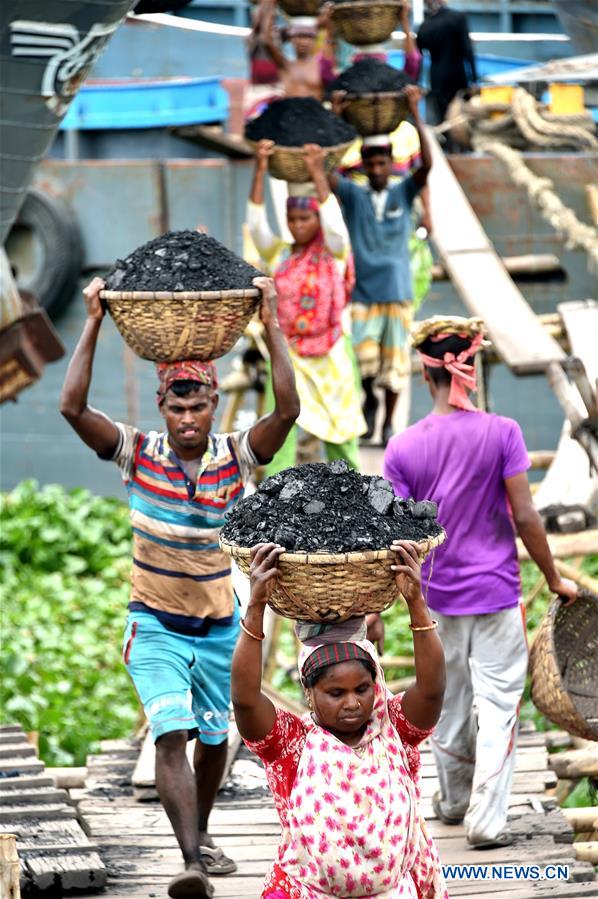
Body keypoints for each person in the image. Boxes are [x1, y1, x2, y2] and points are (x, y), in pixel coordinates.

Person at [59, 276, 299, 899]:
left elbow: (287, 412)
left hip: (219, 625)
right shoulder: (136, 453)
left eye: (197, 409)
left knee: (215, 740)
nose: (187, 421)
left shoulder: (235, 455)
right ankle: (190, 862)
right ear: (162, 406)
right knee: (169, 733)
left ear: (214, 403)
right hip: (156, 624)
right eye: (176, 409)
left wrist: (271, 319)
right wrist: (92, 320)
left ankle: (204, 832)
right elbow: (72, 409)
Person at [382, 315, 578, 850]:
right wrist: (553, 577)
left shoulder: (402, 448)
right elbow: (525, 516)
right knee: (498, 706)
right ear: (473, 368)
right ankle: (486, 820)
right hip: (495, 593)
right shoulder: (502, 432)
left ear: (426, 375)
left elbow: (395, 533)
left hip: (435, 601)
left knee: (446, 699)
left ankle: (451, 801)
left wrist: (379, 605)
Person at [231, 540, 448, 898]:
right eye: (335, 693)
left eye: (362, 689)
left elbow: (432, 690)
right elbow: (245, 700)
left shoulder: (392, 730)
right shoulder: (293, 743)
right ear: (309, 692)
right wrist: (255, 608)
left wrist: (416, 603)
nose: (352, 703)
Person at [248, 138, 366, 474]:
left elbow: (336, 227)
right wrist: (260, 169)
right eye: (292, 219)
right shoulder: (281, 254)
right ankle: (276, 492)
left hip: (331, 355)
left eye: (305, 218)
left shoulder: (335, 253)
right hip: (289, 356)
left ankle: (356, 491)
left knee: (342, 433)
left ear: (318, 218)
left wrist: (317, 173)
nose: (297, 225)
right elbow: (256, 227)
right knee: (280, 429)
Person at [330, 84, 432, 447]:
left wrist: (416, 114)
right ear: (363, 166)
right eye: (371, 164)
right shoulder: (353, 195)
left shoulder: (402, 191)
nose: (376, 169)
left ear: (390, 164)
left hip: (397, 291)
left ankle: (387, 424)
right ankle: (370, 402)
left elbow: (428, 165)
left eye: (382, 163)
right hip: (363, 292)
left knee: (395, 365)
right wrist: (338, 117)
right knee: (363, 361)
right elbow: (326, 171)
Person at [416, 0, 477, 126]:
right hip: (458, 74)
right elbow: (467, 50)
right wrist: (474, 79)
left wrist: (418, 81)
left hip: (437, 77)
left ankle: (445, 137)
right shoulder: (458, 17)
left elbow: (419, 54)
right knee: (461, 115)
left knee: (442, 117)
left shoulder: (425, 25)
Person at [263, 10, 335, 101]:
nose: (304, 42)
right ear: (291, 38)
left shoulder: (321, 64)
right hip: (289, 108)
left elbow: (329, 41)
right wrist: (269, 7)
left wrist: (327, 23)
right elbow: (266, 41)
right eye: (299, 36)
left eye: (309, 37)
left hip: (314, 109)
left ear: (314, 39)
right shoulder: (285, 65)